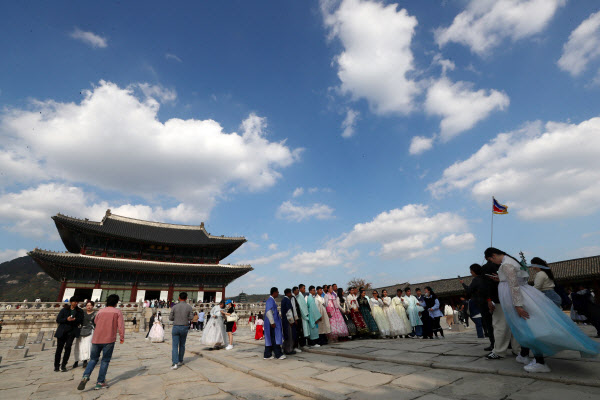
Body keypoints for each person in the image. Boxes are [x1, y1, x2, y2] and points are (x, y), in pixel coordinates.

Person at [484, 247, 600, 372]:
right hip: (525, 295)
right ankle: (524, 354)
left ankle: (540, 362)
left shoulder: (506, 264)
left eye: (490, 259)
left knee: (528, 327)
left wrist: (518, 305)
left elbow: (514, 285)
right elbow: (518, 279)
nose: (492, 262)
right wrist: (501, 278)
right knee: (526, 325)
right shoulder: (511, 261)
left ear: (493, 255)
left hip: (518, 297)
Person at [77, 294, 124, 391]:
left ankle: (85, 376)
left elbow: (96, 321)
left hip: (96, 338)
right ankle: (100, 382)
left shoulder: (100, 311)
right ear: (116, 302)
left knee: (93, 359)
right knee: (105, 361)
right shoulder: (117, 312)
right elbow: (121, 326)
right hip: (109, 339)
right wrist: (122, 337)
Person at [55, 296, 84, 372]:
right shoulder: (64, 310)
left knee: (68, 347)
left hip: (72, 332)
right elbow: (58, 320)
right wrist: (66, 319)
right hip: (62, 331)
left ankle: (63, 364)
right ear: (71, 302)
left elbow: (81, 320)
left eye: (77, 302)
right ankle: (56, 365)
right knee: (59, 349)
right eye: (74, 302)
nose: (76, 303)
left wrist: (75, 320)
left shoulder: (79, 311)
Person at [460, 264, 488, 341]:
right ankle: (487, 333)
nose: (470, 272)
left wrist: (463, 283)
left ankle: (482, 336)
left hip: (478, 303)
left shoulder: (476, 279)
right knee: (485, 321)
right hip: (486, 301)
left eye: (471, 271)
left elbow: (469, 290)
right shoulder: (485, 278)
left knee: (479, 322)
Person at [73, 301, 96, 369]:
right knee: (79, 345)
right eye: (87, 305)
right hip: (81, 330)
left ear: (93, 306)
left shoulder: (95, 314)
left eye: (90, 305)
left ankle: (85, 360)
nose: (89, 307)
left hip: (90, 330)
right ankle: (76, 360)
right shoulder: (82, 313)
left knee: (87, 345)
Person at [264, 287, 285, 360]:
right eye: (277, 292)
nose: (278, 293)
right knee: (275, 338)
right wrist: (272, 322)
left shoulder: (271, 300)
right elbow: (268, 311)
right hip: (272, 324)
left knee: (270, 339)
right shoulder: (270, 300)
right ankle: (278, 354)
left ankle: (267, 354)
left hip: (272, 323)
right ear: (274, 292)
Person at [281, 288, 298, 355]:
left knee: (286, 335)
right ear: (288, 293)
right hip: (288, 321)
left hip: (284, 320)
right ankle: (289, 350)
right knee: (289, 335)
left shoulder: (283, 300)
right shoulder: (287, 300)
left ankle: (285, 348)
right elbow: (289, 312)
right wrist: (291, 321)